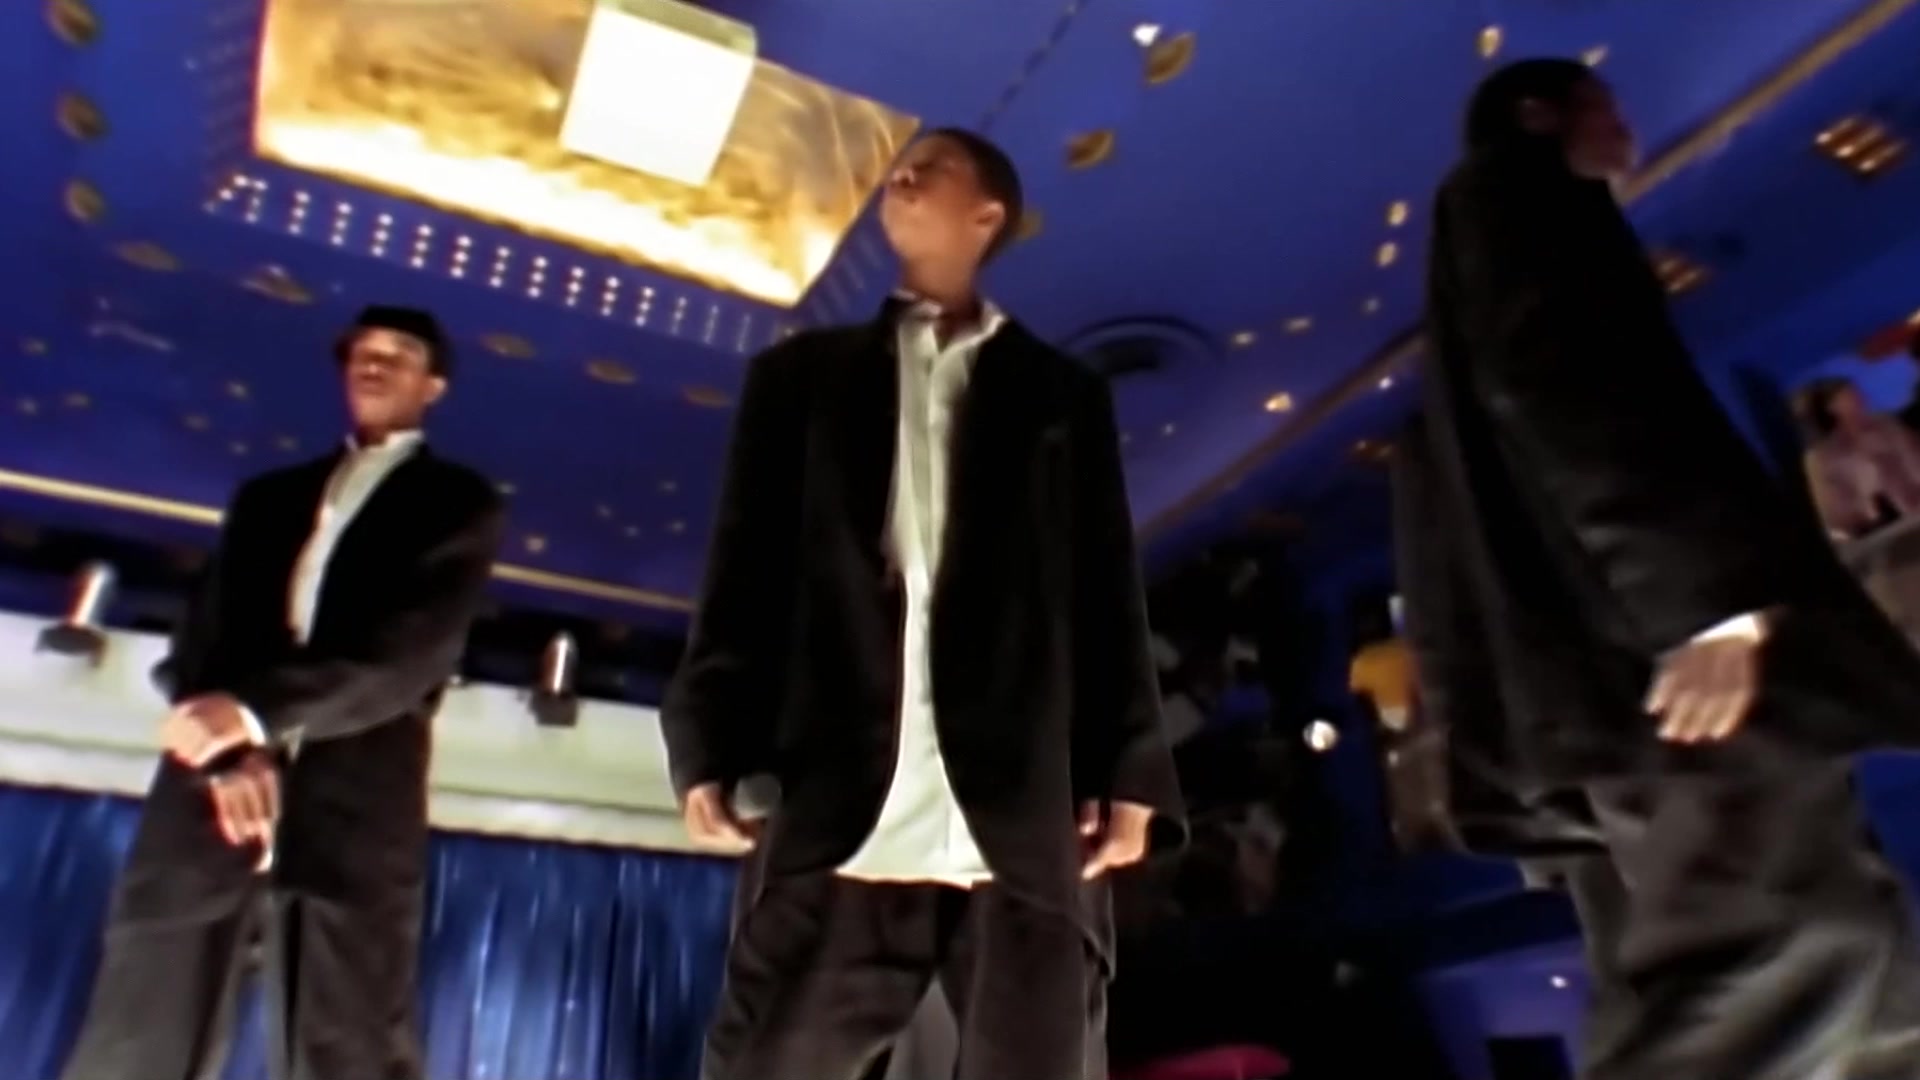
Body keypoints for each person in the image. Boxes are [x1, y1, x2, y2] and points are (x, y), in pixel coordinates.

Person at [1402, 58, 1920, 1079]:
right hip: (1659, 670)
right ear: (1538, 114)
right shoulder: (1512, 196)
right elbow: (1569, 390)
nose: (1627, 129)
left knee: (1864, 989)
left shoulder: (1485, 245)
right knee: (1809, 941)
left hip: (1609, 691)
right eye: (1605, 108)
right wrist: (1708, 610)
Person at [663, 127, 1185, 1080]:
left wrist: (1134, 772)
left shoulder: (1060, 395)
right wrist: (705, 743)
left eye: (928, 166)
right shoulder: (798, 380)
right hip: (839, 795)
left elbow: (1106, 589)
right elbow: (743, 573)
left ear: (988, 214)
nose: (897, 175)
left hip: (1023, 814)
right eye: (898, 167)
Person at [61, 306, 507, 1080]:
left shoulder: (457, 502)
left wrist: (253, 713)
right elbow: (197, 646)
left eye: (399, 355)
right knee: (142, 1018)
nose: (375, 365)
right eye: (363, 352)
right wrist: (228, 751)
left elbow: (410, 658)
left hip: (357, 792)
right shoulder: (267, 498)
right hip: (211, 786)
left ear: (432, 385)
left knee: (351, 1029)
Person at [1798, 376, 1920, 540]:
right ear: (1831, 407)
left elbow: (1913, 455)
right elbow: (1836, 514)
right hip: (1882, 532)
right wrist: (1871, 513)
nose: (1857, 398)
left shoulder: (1886, 425)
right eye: (1847, 396)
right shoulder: (1824, 457)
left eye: (1855, 393)